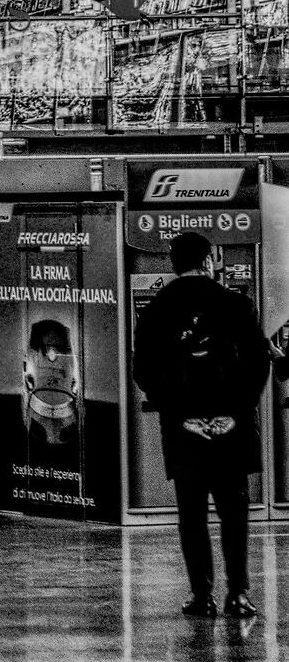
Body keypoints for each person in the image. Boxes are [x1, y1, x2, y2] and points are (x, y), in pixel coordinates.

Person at [132, 231, 269, 620]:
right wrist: (233, 414)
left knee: (191, 514)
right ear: (210, 261)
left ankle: (201, 595)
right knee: (234, 512)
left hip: (183, 430)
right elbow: (258, 363)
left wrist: (185, 416)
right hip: (233, 429)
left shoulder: (157, 308)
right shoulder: (236, 304)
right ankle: (239, 595)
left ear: (173, 265)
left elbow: (144, 370)